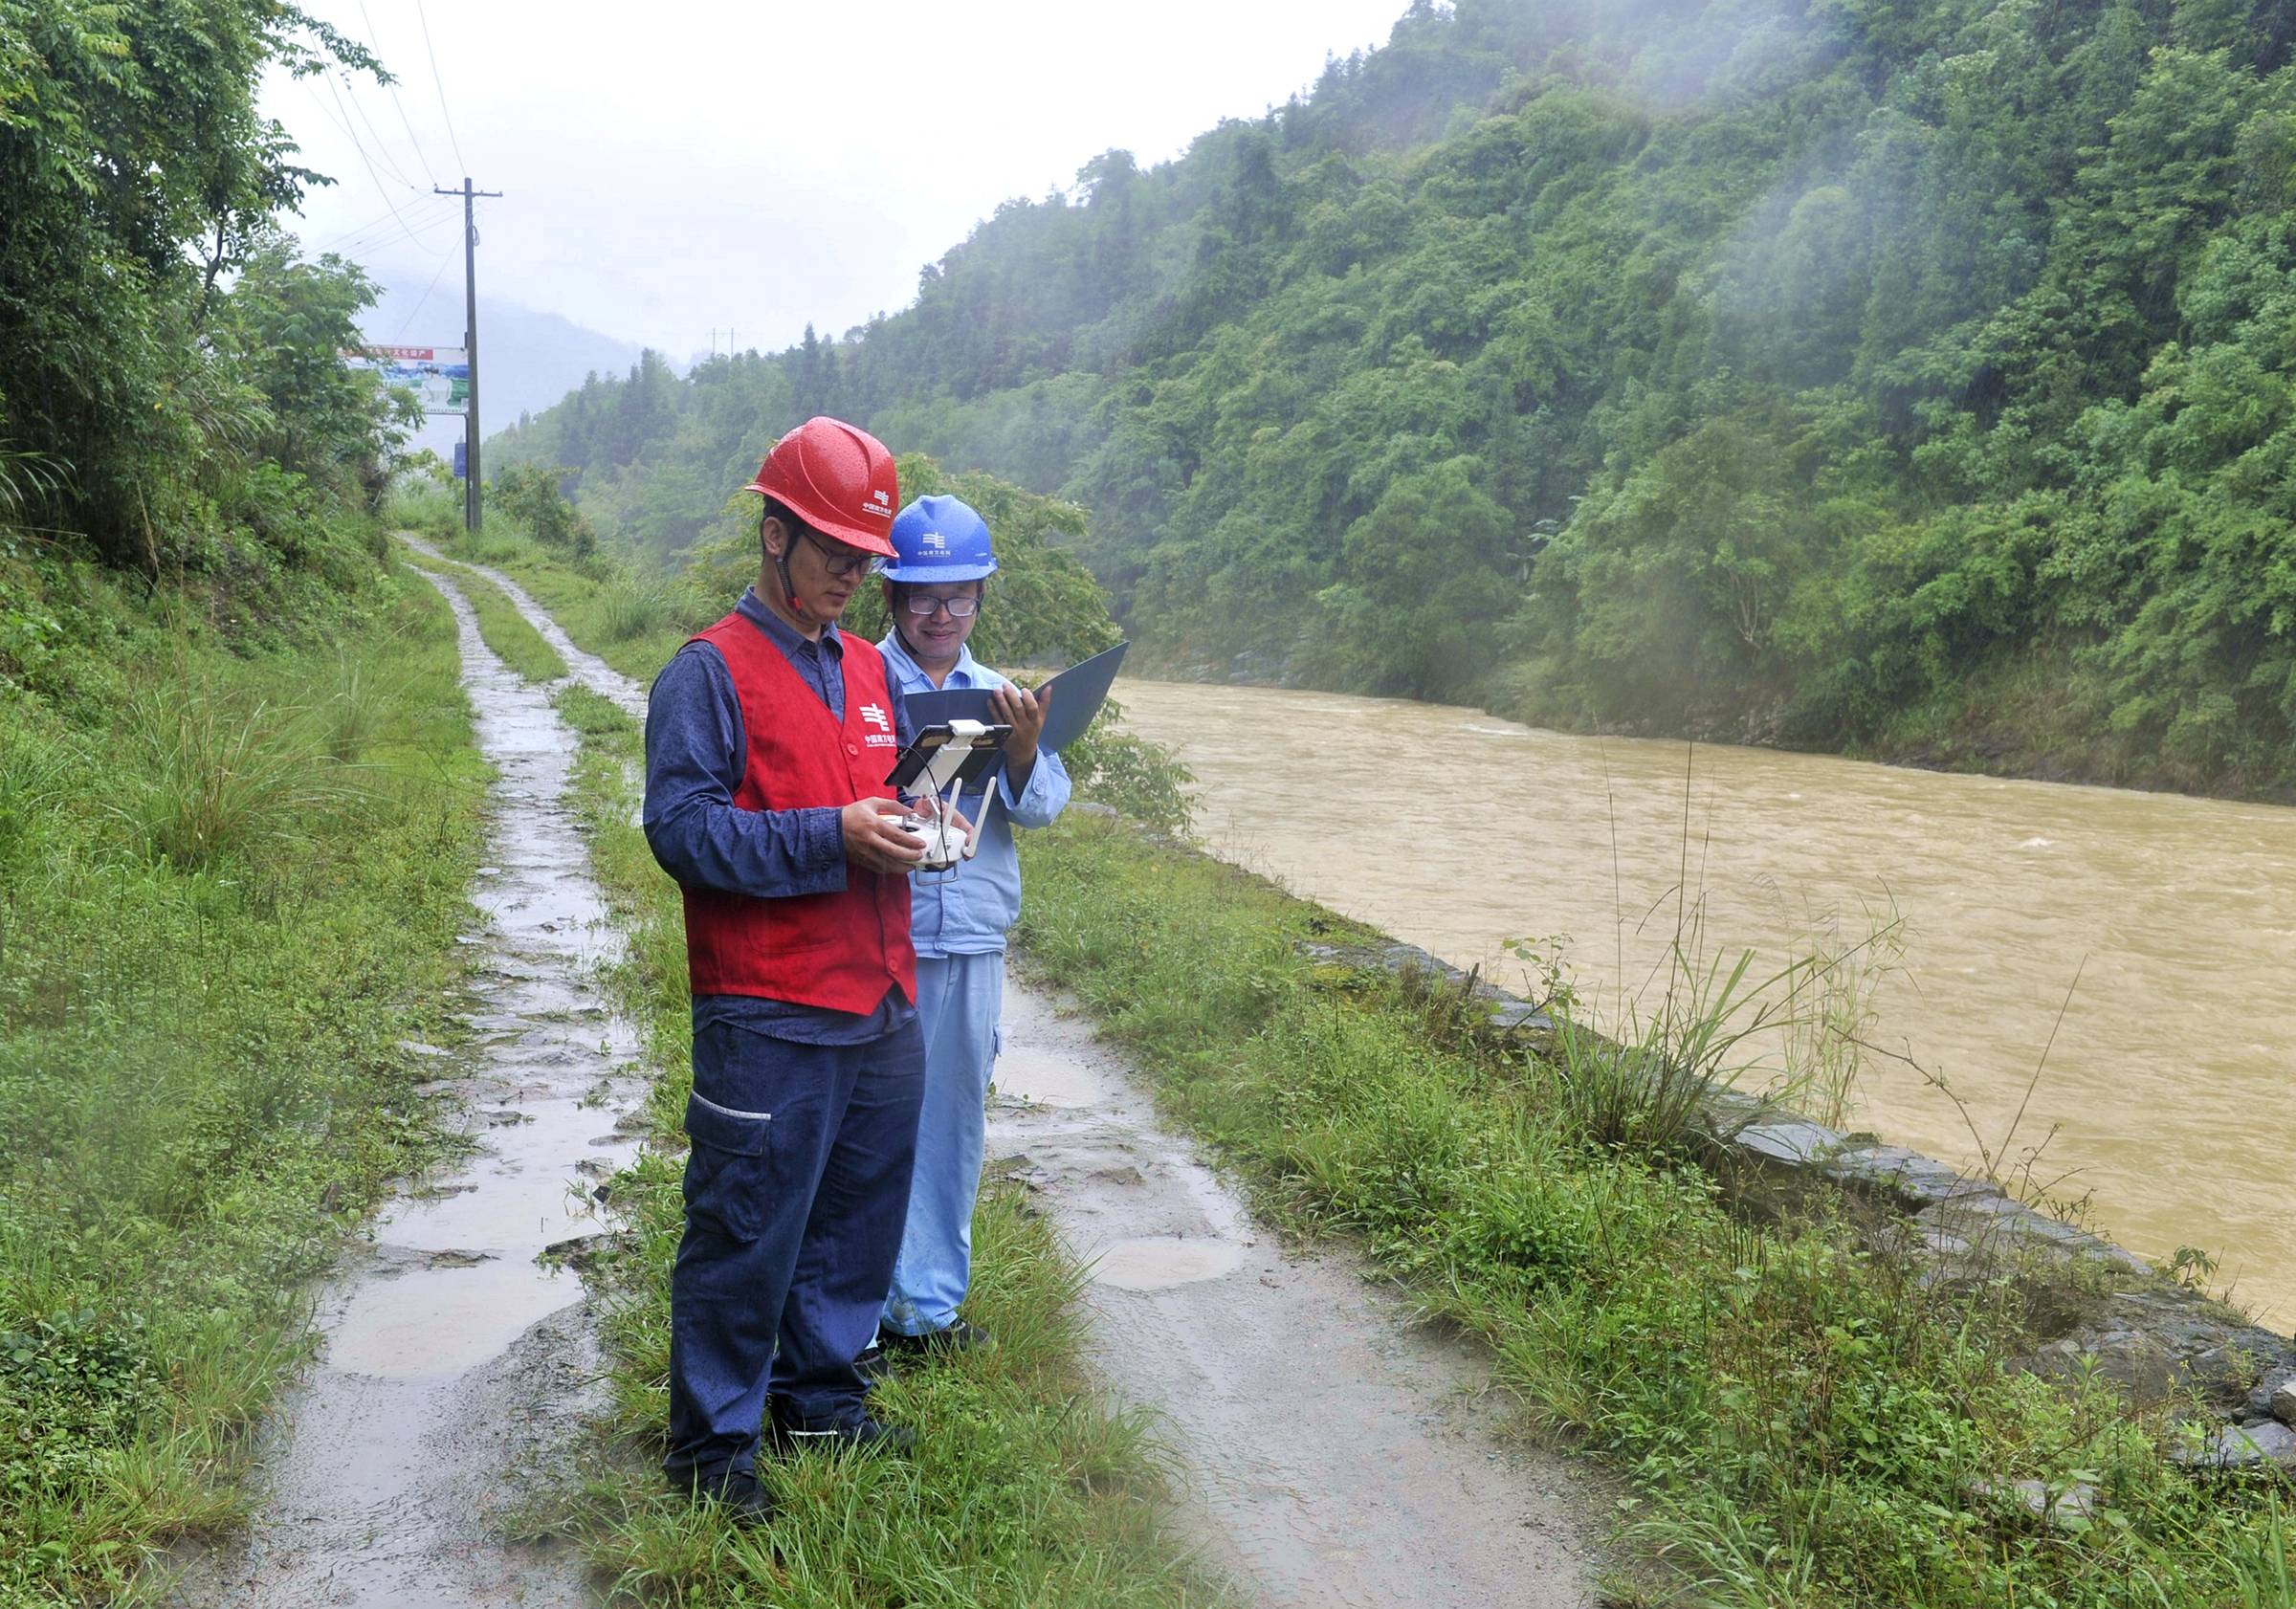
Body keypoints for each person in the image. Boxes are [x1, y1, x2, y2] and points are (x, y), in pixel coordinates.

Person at [641, 416, 953, 1528]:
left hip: (880, 999)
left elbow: (884, 797)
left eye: (864, 559)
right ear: (774, 535)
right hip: (767, 1009)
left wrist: (913, 824)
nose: (852, 577)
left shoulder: (870, 667)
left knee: (855, 1214)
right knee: (745, 1226)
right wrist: (834, 834)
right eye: (832, 552)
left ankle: (819, 1393)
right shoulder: (706, 672)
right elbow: (681, 831)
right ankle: (712, 1446)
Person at [869, 494, 1071, 1358]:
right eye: (921, 596)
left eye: (959, 596)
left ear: (981, 599)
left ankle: (926, 1315)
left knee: (952, 1127)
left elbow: (1047, 806)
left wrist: (1022, 751)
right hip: (881, 936)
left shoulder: (1004, 697)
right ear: (892, 600)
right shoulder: (857, 684)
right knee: (867, 1130)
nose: (940, 614)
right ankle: (852, 1316)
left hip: (972, 939)